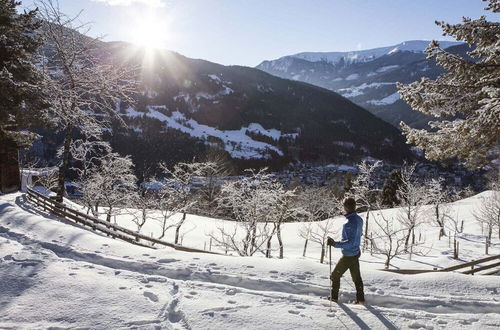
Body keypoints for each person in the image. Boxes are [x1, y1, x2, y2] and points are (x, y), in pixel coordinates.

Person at [327, 197, 365, 304]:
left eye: (344, 206)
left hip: (348, 255)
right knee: (357, 278)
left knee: (334, 276)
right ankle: (361, 299)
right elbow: (359, 235)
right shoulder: (359, 219)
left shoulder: (349, 223)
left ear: (347, 207)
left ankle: (334, 298)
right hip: (355, 253)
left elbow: (350, 242)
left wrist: (334, 243)